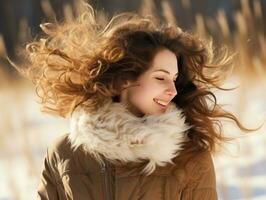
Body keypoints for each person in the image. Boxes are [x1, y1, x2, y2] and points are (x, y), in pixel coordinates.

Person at [18, 4, 250, 200]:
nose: (171, 90)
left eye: (174, 79)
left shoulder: (190, 156)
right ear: (124, 79)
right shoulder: (65, 152)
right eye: (160, 77)